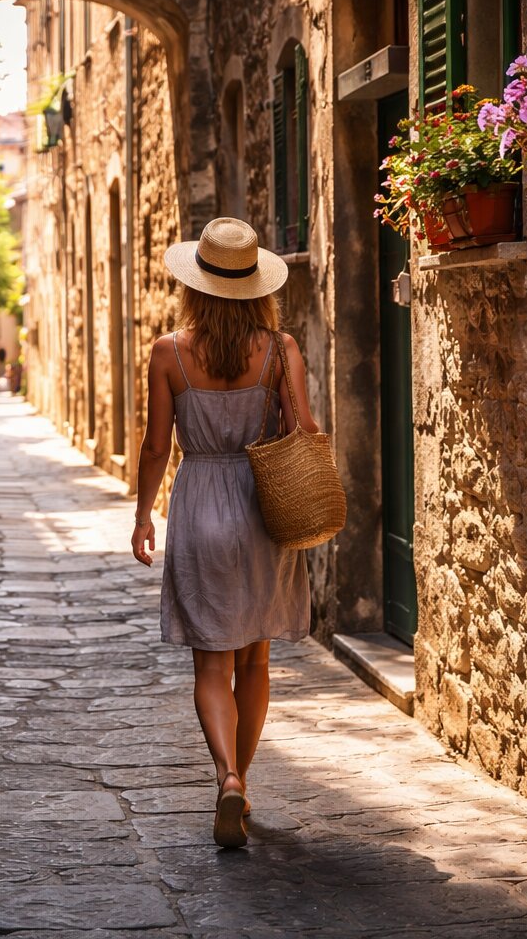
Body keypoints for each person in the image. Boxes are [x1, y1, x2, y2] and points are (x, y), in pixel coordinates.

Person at [131, 217, 316, 849]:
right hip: (265, 505)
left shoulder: (169, 353)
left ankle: (227, 777)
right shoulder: (282, 350)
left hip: (201, 500)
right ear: (257, 287)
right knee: (255, 655)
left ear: (195, 285)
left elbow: (157, 447)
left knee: (212, 658)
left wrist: (142, 515)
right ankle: (245, 778)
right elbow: (305, 431)